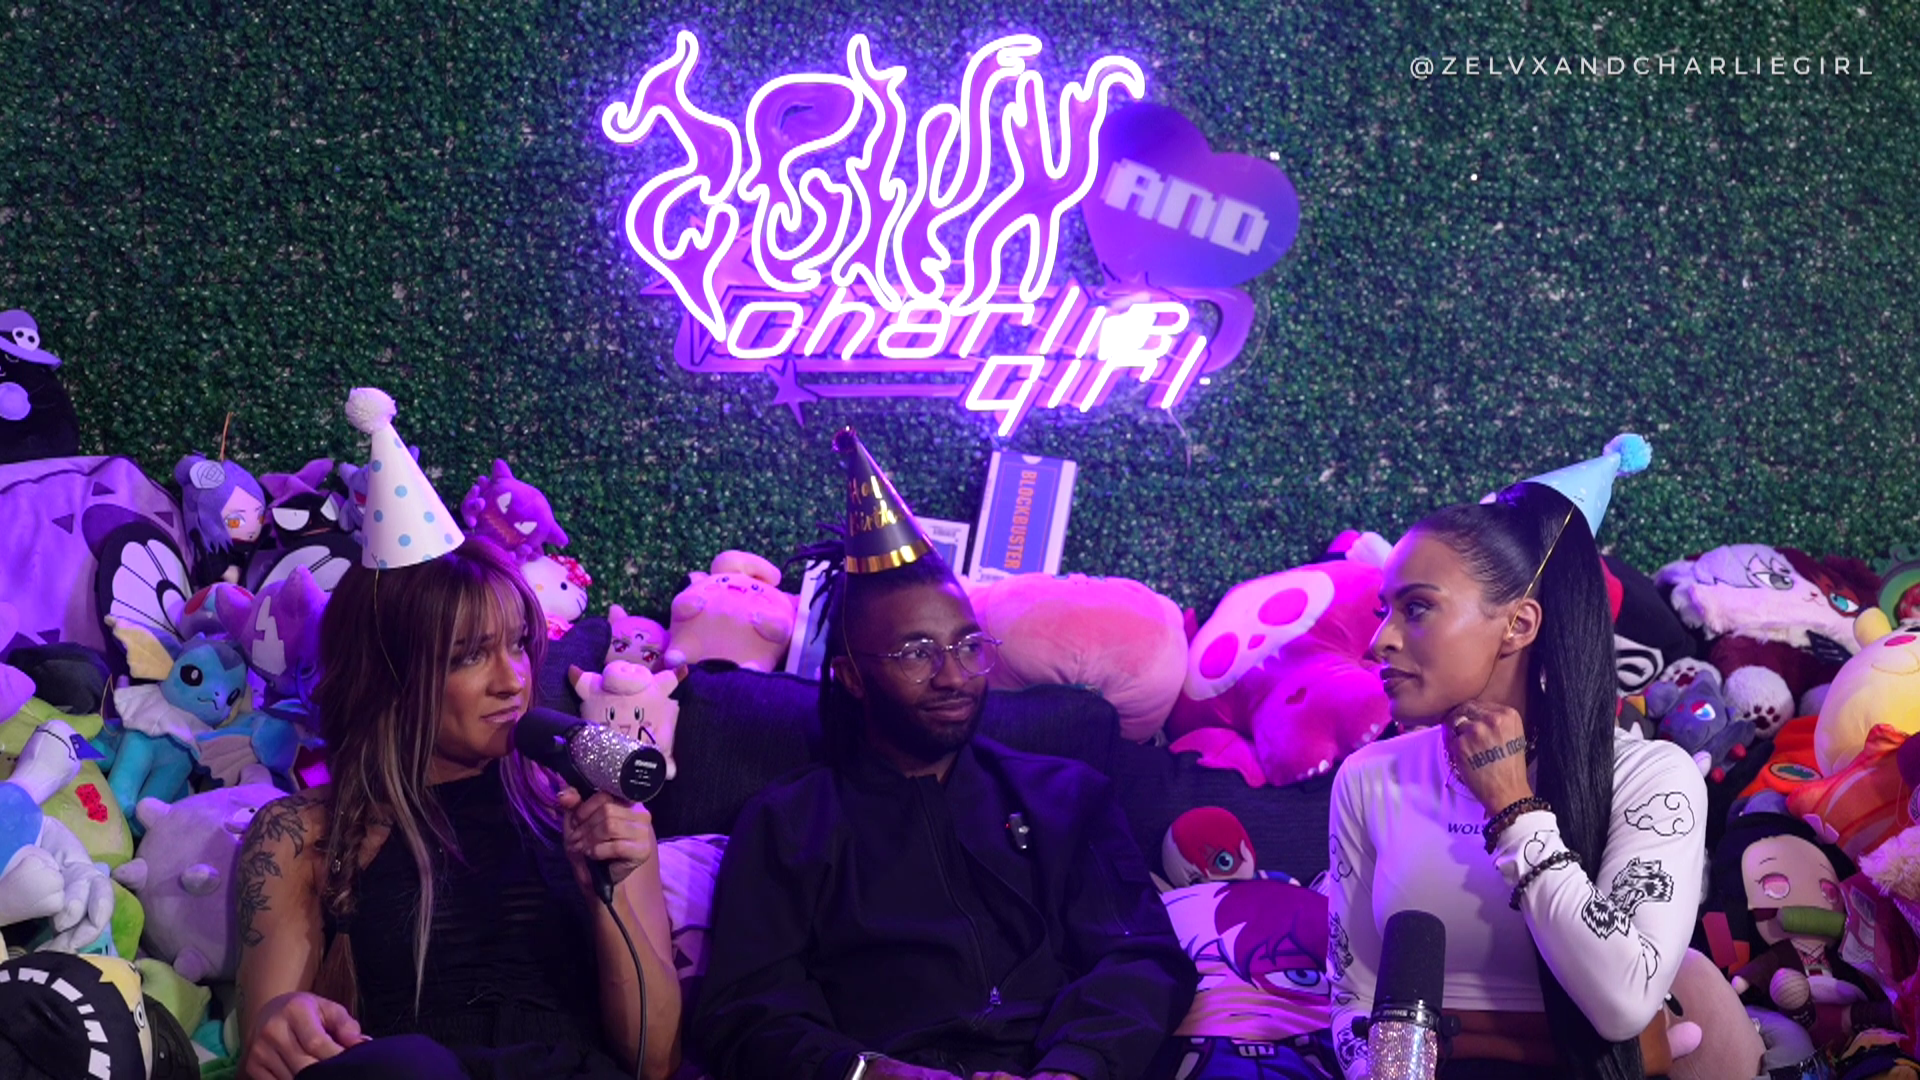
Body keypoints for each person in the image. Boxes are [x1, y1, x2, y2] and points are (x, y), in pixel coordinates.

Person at [692, 428, 1194, 1080]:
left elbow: (1140, 958)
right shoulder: (789, 822)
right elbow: (747, 1014)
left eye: (967, 646)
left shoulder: (1068, 797)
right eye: (917, 653)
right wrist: (877, 1074)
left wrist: (1072, 1068)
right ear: (851, 676)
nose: (954, 676)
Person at [234, 389, 680, 1080]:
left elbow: (654, 1062)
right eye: (469, 655)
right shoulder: (302, 835)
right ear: (388, 674)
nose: (514, 680)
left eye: (520, 644)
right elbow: (273, 1060)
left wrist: (608, 887)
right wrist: (280, 1024)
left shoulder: (597, 814)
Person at [1327, 457, 1707, 1080]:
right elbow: (1352, 999)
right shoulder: (1368, 778)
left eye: (1416, 608)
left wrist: (1513, 808)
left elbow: (1623, 1005)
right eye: (1382, 611)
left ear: (1518, 625)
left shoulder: (1652, 778)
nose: (1379, 642)